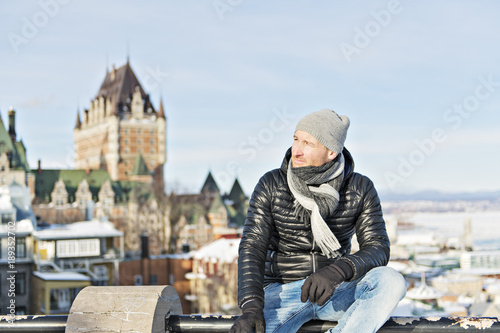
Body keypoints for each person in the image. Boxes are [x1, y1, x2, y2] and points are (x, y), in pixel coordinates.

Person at [229, 109, 407, 333]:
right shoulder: (272, 184)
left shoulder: (359, 188)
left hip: (335, 290)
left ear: (331, 152)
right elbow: (252, 247)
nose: (297, 151)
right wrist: (251, 307)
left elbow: (378, 247)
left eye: (308, 144)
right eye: (296, 139)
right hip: (281, 294)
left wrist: (337, 272)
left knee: (391, 281)